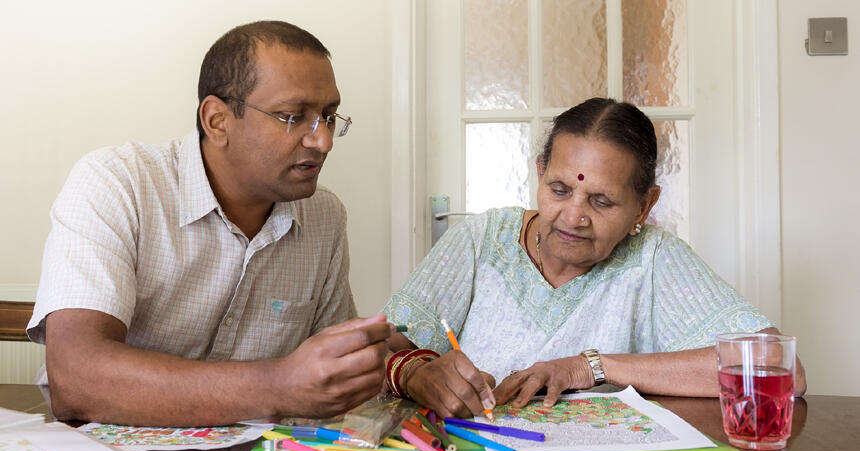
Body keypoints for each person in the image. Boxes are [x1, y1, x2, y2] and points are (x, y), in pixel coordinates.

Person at [26, 21, 393, 426]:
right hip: (105, 450)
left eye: (328, 116)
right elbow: (77, 380)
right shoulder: (118, 184)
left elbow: (336, 375)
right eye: (293, 116)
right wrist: (279, 385)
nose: (323, 141)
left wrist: (401, 369)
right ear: (217, 121)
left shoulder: (325, 216)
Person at [383, 98, 806, 418]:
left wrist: (590, 368)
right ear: (540, 172)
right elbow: (381, 349)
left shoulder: (653, 258)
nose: (573, 217)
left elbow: (780, 369)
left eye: (601, 201)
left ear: (644, 206)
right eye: (559, 189)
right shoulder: (482, 240)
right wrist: (413, 372)